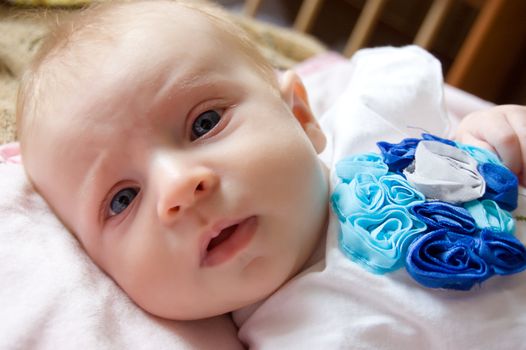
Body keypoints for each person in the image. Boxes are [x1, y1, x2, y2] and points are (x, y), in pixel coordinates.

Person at [16, 0, 526, 348]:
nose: (179, 187)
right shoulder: (298, 336)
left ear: (301, 117)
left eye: (205, 123)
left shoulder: (375, 117)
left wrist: (501, 131)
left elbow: (485, 145)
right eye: (122, 199)